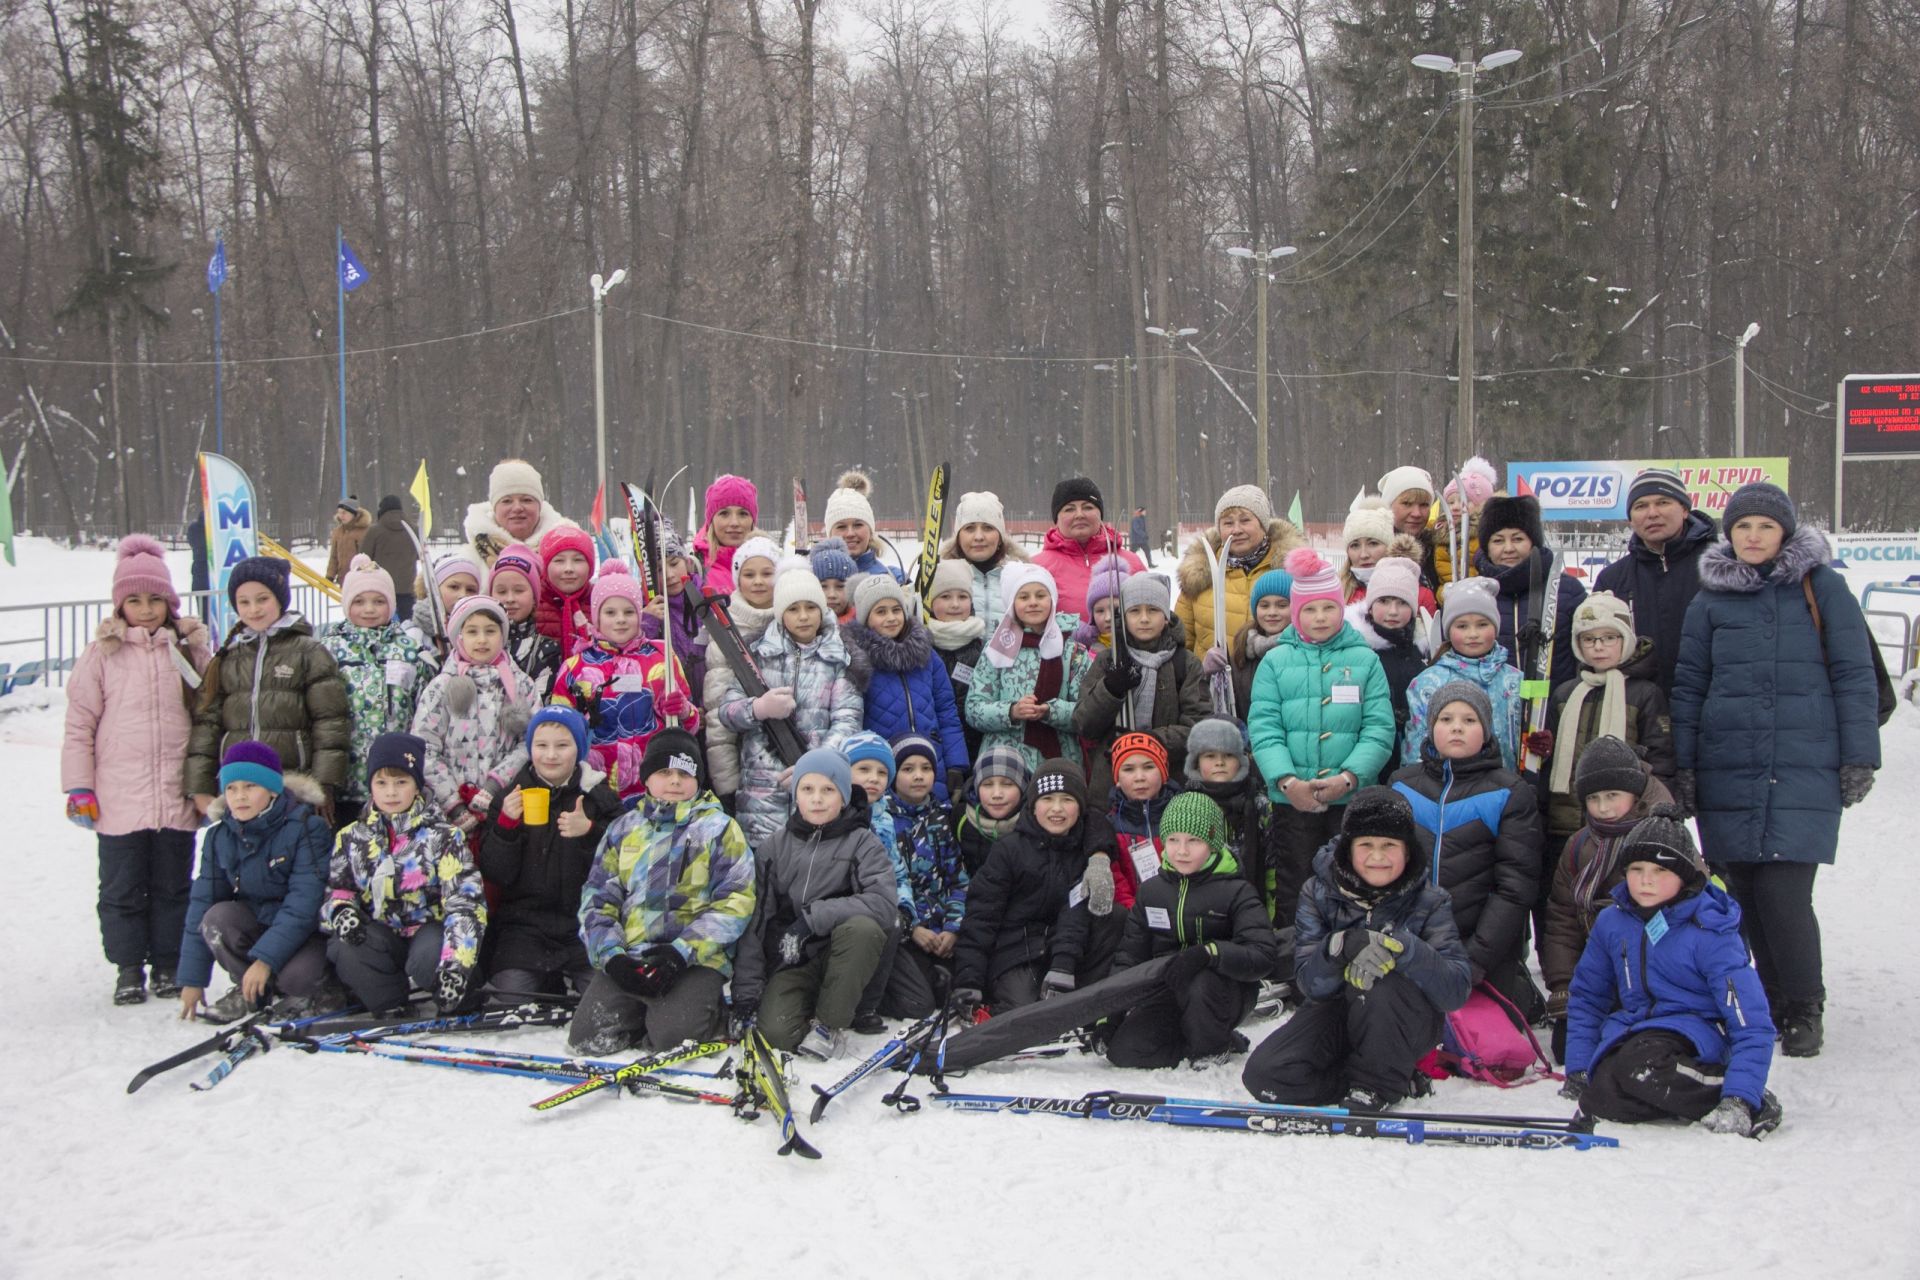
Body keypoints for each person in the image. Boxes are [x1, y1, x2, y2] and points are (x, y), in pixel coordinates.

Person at [1672, 482, 1880, 1058]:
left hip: (1800, 764)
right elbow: (1690, 686)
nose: (1754, 537)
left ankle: (1804, 1006)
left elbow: (1854, 675)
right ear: (1729, 535)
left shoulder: (1823, 588)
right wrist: (1685, 766)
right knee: (1742, 896)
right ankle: (1765, 1000)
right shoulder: (1709, 599)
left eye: (1765, 526)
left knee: (1786, 895)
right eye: (1743, 528)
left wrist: (1860, 755)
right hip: (1727, 767)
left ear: (1785, 532)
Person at [1240, 787, 1472, 1109]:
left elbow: (1455, 990)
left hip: (1400, 1020)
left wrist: (1406, 950)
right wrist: (1339, 947)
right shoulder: (1317, 892)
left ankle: (1377, 1085)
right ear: (1349, 849)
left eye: (1389, 845)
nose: (1377, 857)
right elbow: (1310, 984)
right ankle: (1377, 1079)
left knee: (1380, 980)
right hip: (1337, 1010)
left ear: (1407, 851)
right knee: (1266, 1075)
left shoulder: (1431, 901)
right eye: (1366, 845)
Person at [1562, 808, 1782, 1137]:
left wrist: (1740, 1096)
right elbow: (1588, 995)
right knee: (1601, 1096)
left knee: (1639, 1066)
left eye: (1659, 870)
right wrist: (1579, 1066)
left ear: (1683, 876)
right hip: (1634, 1031)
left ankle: (1748, 1098)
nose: (1645, 880)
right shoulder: (1613, 922)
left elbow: (1750, 1019)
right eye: (1636, 869)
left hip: (1694, 1035)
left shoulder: (1709, 931)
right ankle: (1670, 1094)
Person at [62, 535, 213, 1004]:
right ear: (119, 604)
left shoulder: (186, 652)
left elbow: (210, 714)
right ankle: (128, 967)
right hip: (118, 795)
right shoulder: (101, 655)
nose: (145, 610)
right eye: (134, 600)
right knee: (122, 887)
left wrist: (204, 785)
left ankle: (167, 962)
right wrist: (79, 787)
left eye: (154, 600)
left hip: (174, 791)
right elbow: (79, 724)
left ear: (170, 603)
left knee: (173, 884)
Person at [1248, 548, 1397, 963]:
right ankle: (1297, 961)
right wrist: (1286, 781)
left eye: (1328, 608)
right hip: (1292, 799)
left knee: (1352, 878)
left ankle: (1353, 955)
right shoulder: (1276, 662)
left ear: (1341, 609)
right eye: (1309, 609)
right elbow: (1264, 728)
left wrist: (1350, 777)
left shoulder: (1364, 660)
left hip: (1348, 799)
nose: (1319, 617)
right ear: (1297, 615)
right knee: (1296, 880)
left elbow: (1379, 729)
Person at [572, 729, 755, 1054]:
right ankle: (643, 1009)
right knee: (588, 1038)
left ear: (698, 779)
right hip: (632, 954)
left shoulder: (720, 829)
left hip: (693, 959)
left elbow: (735, 902)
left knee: (671, 1041)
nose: (674, 781)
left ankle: (705, 1015)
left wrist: (681, 952)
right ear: (646, 778)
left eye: (684, 773)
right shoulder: (623, 829)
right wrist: (612, 958)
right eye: (664, 772)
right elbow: (597, 899)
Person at [1387, 681, 1543, 1016]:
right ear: (1431, 727)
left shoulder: (1509, 792)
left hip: (1482, 949)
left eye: (1469, 720)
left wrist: (1474, 958)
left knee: (1485, 1046)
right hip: (1412, 943)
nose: (1457, 727)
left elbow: (1516, 886)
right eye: (1446, 719)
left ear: (1486, 730)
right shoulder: (1402, 785)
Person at [730, 749, 897, 1058]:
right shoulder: (774, 847)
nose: (817, 799)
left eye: (828, 790)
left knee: (863, 928)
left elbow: (884, 903)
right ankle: (805, 1004)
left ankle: (828, 1023)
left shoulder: (862, 842)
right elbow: (757, 921)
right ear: (796, 795)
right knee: (776, 1035)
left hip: (843, 951)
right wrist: (746, 994)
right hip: (796, 956)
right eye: (808, 789)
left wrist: (812, 919)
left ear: (844, 797)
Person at [1106, 791, 1279, 1068]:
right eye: (1173, 840)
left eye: (1193, 840)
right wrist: (1110, 1014)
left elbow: (1262, 955)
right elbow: (1129, 955)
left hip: (1222, 991)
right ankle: (1195, 1040)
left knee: (1201, 985)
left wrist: (1210, 954)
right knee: (1125, 1052)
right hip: (1169, 989)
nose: (1181, 850)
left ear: (1212, 844)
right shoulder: (1152, 891)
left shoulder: (1237, 891)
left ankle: (1211, 1048)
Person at [323, 732, 486, 1014]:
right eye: (381, 783)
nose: (391, 792)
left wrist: (457, 965)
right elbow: (339, 889)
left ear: (417, 785)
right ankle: (388, 1002)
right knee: (347, 946)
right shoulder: (350, 837)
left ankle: (459, 990)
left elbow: (466, 904)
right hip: (383, 931)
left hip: (429, 930)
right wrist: (341, 911)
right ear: (370, 786)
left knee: (426, 960)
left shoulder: (445, 837)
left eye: (401, 782)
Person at [184, 555, 351, 822]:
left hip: (292, 788)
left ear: (280, 599)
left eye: (263, 599)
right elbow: (208, 723)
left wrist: (325, 783)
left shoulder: (308, 652)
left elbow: (330, 721)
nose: (254, 610)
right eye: (244, 602)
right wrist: (200, 785)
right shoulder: (229, 656)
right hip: (241, 788)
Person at [175, 743, 333, 1022]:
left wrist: (265, 961)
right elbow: (202, 902)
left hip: (304, 935)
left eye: (250, 786)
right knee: (216, 918)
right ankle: (248, 990)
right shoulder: (219, 836)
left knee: (296, 979)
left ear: (272, 789)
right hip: (256, 923)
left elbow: (303, 906)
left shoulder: (308, 828)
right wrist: (192, 978)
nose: (240, 797)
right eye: (231, 788)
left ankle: (305, 990)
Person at [1539, 735, 1673, 1060]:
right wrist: (1564, 985)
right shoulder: (1578, 846)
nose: (1603, 808)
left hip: (1657, 970)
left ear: (1635, 793)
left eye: (1613, 795)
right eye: (1594, 798)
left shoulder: (1665, 838)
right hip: (1597, 970)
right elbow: (1562, 921)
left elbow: (1685, 917)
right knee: (1567, 1050)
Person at [714, 568, 868, 846]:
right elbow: (727, 712)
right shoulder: (758, 655)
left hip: (817, 792)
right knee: (765, 869)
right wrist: (758, 708)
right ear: (780, 613)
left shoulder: (838, 659)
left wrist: (814, 766)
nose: (804, 616)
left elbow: (847, 721)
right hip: (761, 795)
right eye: (793, 608)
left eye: (811, 607)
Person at [480, 706, 624, 997]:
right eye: (541, 745)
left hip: (586, 922)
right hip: (524, 926)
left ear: (579, 749)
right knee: (511, 996)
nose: (551, 755)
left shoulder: (599, 797)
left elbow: (627, 863)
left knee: (604, 999)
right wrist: (506, 826)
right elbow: (496, 873)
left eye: (562, 746)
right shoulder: (510, 796)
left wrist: (591, 832)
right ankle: (545, 979)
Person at [951, 758, 1116, 1011]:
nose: (1057, 809)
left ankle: (1093, 1002)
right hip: (1017, 951)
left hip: (1066, 949)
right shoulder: (1009, 850)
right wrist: (968, 979)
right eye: (1047, 799)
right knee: (1024, 1010)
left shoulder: (1086, 848)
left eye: (1067, 800)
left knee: (1114, 917)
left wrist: (1063, 965)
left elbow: (1075, 913)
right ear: (1033, 806)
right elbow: (981, 916)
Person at [550, 563, 698, 801]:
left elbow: (690, 725)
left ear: (640, 614)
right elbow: (558, 730)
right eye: (610, 613)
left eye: (629, 612)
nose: (620, 620)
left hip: (653, 788)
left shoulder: (662, 657)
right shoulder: (575, 667)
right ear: (596, 617)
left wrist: (682, 710)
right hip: (595, 788)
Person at [1543, 592, 1676, 846]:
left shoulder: (1645, 693)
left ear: (1625, 639)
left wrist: (1655, 813)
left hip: (1626, 821)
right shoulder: (1565, 693)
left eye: (1609, 637)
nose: (1598, 646)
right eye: (1589, 639)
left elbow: (1661, 761)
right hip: (1564, 822)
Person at [320, 554, 436, 828]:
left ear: (391, 604)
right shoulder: (328, 650)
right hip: (346, 779)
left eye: (379, 601)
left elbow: (424, 709)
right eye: (359, 601)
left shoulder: (409, 649)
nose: (369, 609)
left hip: (396, 779)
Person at [1071, 572, 1207, 801]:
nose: (1144, 618)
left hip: (1172, 783)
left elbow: (1198, 725)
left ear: (1166, 617)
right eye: (1134, 611)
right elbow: (1083, 723)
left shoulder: (1185, 663)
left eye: (1153, 610)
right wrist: (1110, 690)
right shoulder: (1108, 660)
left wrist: (1148, 740)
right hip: (1110, 787)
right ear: (1123, 617)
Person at [411, 595, 537, 836]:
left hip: (505, 805)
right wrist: (453, 805)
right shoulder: (442, 686)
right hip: (449, 814)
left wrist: (495, 785)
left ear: (502, 635)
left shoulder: (520, 685)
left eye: (490, 631)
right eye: (472, 632)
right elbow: (425, 746)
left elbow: (530, 742)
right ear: (459, 637)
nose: (482, 640)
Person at [844, 574, 971, 803]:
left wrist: (956, 764)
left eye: (896, 609)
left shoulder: (926, 656)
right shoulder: (857, 660)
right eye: (880, 612)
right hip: (881, 771)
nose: (891, 618)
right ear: (865, 617)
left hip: (931, 767)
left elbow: (946, 713)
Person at [1592, 467, 1718, 695]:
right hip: (1638, 711)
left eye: (1663, 502)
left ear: (1685, 510)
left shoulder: (1719, 567)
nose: (1652, 513)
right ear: (1630, 519)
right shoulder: (1612, 579)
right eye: (1641, 506)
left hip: (1708, 705)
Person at [875, 733, 970, 1018]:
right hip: (906, 934)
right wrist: (912, 929)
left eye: (926, 768)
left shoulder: (943, 817)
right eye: (908, 769)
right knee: (920, 1003)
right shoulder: (882, 821)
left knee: (958, 992)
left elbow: (959, 880)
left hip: (942, 933)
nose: (918, 776)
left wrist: (953, 928)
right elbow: (881, 888)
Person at [966, 564, 1094, 774]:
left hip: (1060, 759)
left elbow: (1087, 711)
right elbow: (973, 709)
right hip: (1004, 762)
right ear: (1011, 603)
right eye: (1023, 597)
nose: (1033, 602)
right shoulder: (997, 649)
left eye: (1040, 595)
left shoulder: (1074, 652)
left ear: (1052, 599)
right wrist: (1011, 711)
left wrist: (1051, 711)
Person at [1402, 578, 1524, 772]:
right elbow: (1416, 744)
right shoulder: (1427, 682)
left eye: (1482, 624)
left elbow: (1525, 735)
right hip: (1445, 790)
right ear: (1449, 630)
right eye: (1462, 626)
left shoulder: (1516, 680)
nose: (1473, 634)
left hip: (1506, 789)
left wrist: (1538, 748)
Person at [1472, 492, 1586, 694]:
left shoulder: (1566, 591)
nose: (1508, 548)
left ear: (1533, 542)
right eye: (1498, 541)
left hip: (1552, 709)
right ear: (1487, 547)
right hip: (1492, 711)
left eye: (1518, 539)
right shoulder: (1472, 593)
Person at [1177, 484, 1306, 660]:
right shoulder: (1198, 575)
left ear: (1263, 525)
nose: (1236, 530)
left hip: (1277, 680)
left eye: (1245, 520)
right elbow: (1182, 642)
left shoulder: (1291, 573)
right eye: (1228, 523)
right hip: (1211, 683)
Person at [702, 535, 782, 805]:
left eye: (767, 573)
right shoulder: (724, 631)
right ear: (737, 579)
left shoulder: (795, 618)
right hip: (746, 768)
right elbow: (716, 714)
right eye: (749, 574)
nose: (758, 581)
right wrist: (727, 784)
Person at [1346, 555, 1432, 774]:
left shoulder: (1425, 650)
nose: (1393, 611)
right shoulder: (1355, 648)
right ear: (1370, 605)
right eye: (1384, 601)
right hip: (1366, 755)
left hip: (1414, 757)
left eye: (1402, 602)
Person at [1181, 717, 1272, 913]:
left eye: (1229, 755)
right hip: (1199, 911)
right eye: (1210, 755)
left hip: (1251, 906)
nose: (1220, 763)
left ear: (1242, 760)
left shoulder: (1260, 805)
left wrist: (1271, 922)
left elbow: (1273, 869)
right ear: (1196, 762)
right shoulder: (1185, 806)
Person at [1030, 477, 1144, 619]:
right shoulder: (1035, 568)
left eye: (1088, 507)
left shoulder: (1131, 562)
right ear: (1056, 518)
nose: (1079, 514)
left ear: (1100, 514)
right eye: (1069, 509)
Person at [1100, 732, 1181, 915]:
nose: (1139, 777)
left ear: (1163, 773)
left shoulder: (1183, 817)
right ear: (1117, 779)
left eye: (1148, 767)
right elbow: (1116, 880)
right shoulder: (1109, 825)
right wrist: (1136, 916)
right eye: (1128, 769)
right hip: (1132, 920)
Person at [925, 558, 988, 762]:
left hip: (976, 745)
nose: (955, 604)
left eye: (962, 596)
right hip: (932, 746)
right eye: (945, 596)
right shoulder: (921, 647)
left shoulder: (984, 649)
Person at [940, 490, 1030, 631]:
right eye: (969, 528)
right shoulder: (941, 579)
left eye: (988, 528)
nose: (979, 536)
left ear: (1000, 537)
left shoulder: (1022, 578)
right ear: (958, 536)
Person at [639, 520, 708, 700]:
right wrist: (647, 622)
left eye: (674, 563)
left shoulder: (706, 598)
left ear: (687, 562)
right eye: (659, 569)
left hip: (709, 703)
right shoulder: (641, 608)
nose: (669, 575)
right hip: (668, 707)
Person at [464, 459, 580, 565]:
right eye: (507, 501)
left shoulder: (568, 551)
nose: (517, 508)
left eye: (526, 500)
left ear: (539, 506)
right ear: (494, 508)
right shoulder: (470, 562)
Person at [487, 543, 560, 696]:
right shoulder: (479, 641)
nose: (510, 599)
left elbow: (541, 701)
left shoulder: (545, 649)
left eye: (519, 590)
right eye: (501, 591)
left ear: (534, 597)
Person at [953, 745, 1029, 877]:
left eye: (1007, 784)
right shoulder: (959, 818)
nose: (997, 794)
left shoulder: (1034, 823)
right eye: (987, 784)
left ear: (1022, 788)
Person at [1228, 568, 1290, 724]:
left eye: (1282, 605)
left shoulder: (1303, 648)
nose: (1272, 612)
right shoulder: (1243, 647)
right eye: (1264, 605)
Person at [821, 469, 906, 582]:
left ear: (870, 531)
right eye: (841, 527)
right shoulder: (816, 582)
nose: (850, 533)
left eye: (858, 525)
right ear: (829, 534)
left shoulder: (894, 579)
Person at [1429, 455, 1497, 591]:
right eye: (1450, 502)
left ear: (1482, 505)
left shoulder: (1487, 533)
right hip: (1448, 600)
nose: (1455, 507)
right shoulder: (1440, 532)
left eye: (1465, 501)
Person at [692, 474, 763, 596]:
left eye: (743, 514)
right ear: (711, 521)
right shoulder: (695, 572)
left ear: (752, 520)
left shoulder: (770, 566)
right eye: (724, 514)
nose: (734, 523)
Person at [534, 525, 599, 660]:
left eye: (578, 560)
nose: (568, 568)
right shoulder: (532, 602)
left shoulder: (601, 600)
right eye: (559, 560)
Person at [356, 495, 422, 622]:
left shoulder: (374, 531)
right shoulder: (414, 529)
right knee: (407, 622)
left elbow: (364, 557)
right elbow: (420, 555)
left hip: (380, 585)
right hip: (407, 586)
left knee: (381, 622)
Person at [1377, 464, 1438, 591]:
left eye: (1424, 505)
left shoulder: (1437, 551)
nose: (1417, 513)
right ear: (1388, 505)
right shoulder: (1372, 550)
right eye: (1407, 503)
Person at [809, 537, 859, 624]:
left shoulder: (865, 627)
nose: (832, 595)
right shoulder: (801, 633)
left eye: (840, 586)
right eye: (823, 586)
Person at [325, 497, 371, 584]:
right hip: (343, 580)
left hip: (360, 581)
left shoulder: (363, 531)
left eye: (344, 513)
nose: (341, 516)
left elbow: (368, 557)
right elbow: (334, 557)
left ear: (354, 514)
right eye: (339, 512)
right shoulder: (337, 532)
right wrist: (330, 576)